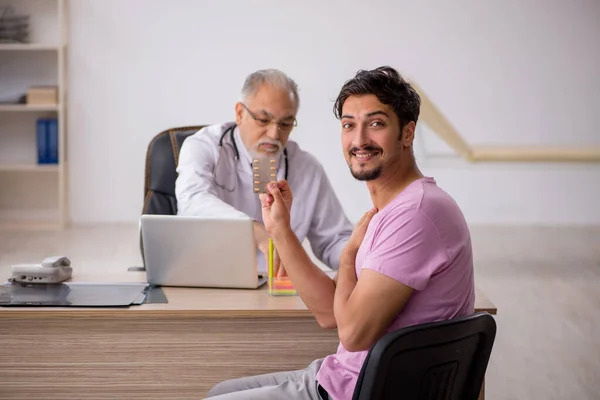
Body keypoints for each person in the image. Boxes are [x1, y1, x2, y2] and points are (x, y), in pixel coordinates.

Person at [206, 66, 476, 400]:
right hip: (345, 376)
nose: (359, 139)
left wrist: (347, 259)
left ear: (407, 134)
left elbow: (352, 333)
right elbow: (326, 312)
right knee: (220, 390)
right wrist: (280, 229)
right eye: (349, 125)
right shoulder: (393, 211)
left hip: (361, 390)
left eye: (376, 124)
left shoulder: (416, 214)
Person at [175, 69, 353, 274]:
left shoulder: (306, 167)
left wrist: (360, 263)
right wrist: (253, 230)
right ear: (240, 113)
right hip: (209, 281)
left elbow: (333, 240)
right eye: (263, 120)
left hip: (278, 290)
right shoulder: (203, 146)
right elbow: (192, 201)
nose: (274, 133)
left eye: (286, 123)